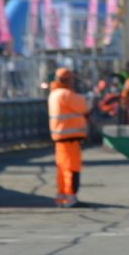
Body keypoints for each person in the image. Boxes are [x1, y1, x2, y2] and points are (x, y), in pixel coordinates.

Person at [47, 68, 91, 208]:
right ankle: (71, 198)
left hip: (60, 137)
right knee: (71, 169)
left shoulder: (54, 94)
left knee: (61, 168)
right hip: (69, 138)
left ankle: (62, 197)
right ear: (67, 80)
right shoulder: (66, 94)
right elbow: (84, 107)